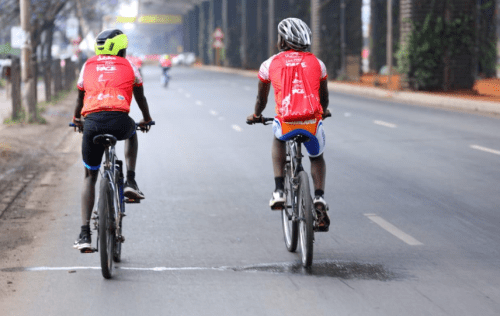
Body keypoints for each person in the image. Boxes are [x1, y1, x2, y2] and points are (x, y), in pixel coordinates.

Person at [72, 29, 153, 251]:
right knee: (132, 131)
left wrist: (76, 119)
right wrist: (146, 119)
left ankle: (85, 233)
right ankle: (131, 181)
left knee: (90, 176)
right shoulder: (129, 66)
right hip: (119, 121)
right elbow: (140, 96)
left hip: (92, 123)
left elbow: (80, 96)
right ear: (121, 49)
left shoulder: (88, 64)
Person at [246, 18, 331, 230]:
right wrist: (324, 111)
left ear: (283, 41)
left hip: (286, 123)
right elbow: (324, 98)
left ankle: (279, 191)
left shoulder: (269, 64)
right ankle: (319, 198)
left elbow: (261, 100)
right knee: (317, 157)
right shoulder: (318, 64)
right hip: (312, 123)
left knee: (278, 138)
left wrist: (256, 115)